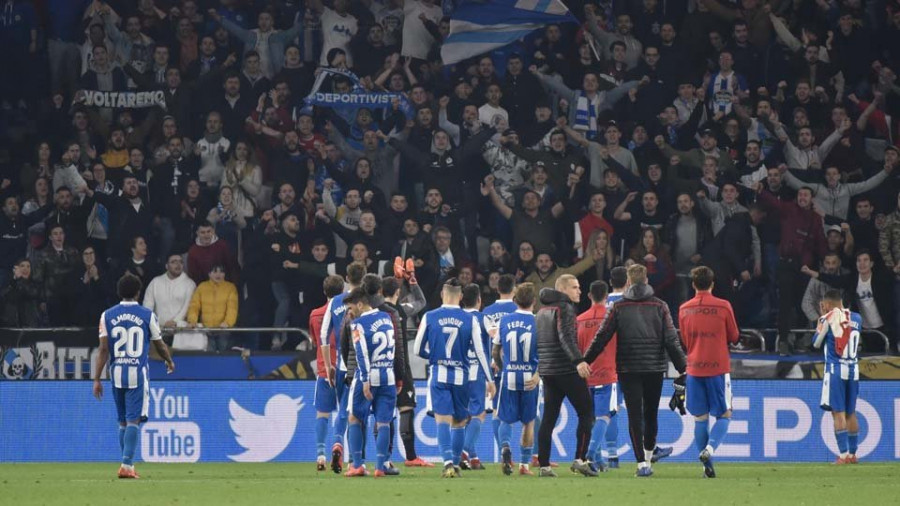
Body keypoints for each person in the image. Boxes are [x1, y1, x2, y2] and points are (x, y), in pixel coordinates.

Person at [584, 264, 687, 477]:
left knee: (634, 416)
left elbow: (602, 337)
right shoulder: (660, 306)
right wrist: (683, 368)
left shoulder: (619, 307)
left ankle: (641, 464)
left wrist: (586, 360)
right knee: (650, 414)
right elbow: (671, 340)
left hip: (628, 368)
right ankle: (648, 457)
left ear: (629, 282)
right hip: (654, 368)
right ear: (647, 280)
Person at [92, 273, 175, 479]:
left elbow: (103, 350)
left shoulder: (106, 315)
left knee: (122, 422)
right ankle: (127, 465)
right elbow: (159, 343)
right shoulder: (147, 315)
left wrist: (96, 378)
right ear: (138, 292)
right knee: (133, 421)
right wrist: (169, 360)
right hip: (137, 374)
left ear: (119, 292)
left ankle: (125, 463)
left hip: (116, 374)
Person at [413, 278, 494, 478]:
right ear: (460, 296)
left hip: (439, 374)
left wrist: (433, 357)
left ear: (442, 294)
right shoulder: (471, 320)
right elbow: (480, 351)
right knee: (459, 422)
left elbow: (417, 349)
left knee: (442, 420)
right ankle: (456, 464)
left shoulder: (429, 316)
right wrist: (490, 379)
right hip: (462, 377)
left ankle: (448, 462)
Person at [677, 266, 740, 479]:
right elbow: (734, 335)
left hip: (694, 368)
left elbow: (685, 340)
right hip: (718, 368)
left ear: (693, 284)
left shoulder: (684, 309)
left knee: (700, 418)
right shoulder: (723, 306)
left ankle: (707, 467)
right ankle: (710, 449)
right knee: (725, 414)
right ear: (712, 284)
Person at [534, 274, 596, 477]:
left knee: (548, 419)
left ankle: (544, 466)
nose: (579, 291)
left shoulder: (542, 311)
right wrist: (578, 361)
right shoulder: (565, 308)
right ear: (563, 290)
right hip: (566, 370)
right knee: (587, 413)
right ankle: (580, 459)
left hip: (548, 372)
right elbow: (566, 337)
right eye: (575, 287)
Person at [342, 285, 399, 478]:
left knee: (355, 417)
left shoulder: (357, 325)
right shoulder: (386, 317)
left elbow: (361, 353)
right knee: (384, 421)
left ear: (360, 304)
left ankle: (357, 465)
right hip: (388, 375)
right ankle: (381, 466)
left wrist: (365, 379)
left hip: (368, 376)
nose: (350, 312)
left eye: (351, 307)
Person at [381, 267, 431, 467]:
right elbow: (421, 302)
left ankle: (382, 457)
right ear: (398, 293)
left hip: (380, 367)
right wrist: (413, 282)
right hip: (401, 365)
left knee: (382, 413)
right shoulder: (401, 309)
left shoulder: (374, 312)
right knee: (406, 408)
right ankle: (410, 457)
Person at [321, 262, 366, 474]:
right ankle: (355, 460)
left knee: (342, 410)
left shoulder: (336, 302)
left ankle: (337, 443)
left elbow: (323, 335)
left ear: (346, 278)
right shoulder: (365, 301)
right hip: (361, 365)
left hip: (340, 365)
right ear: (364, 277)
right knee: (357, 412)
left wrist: (328, 365)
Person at [493, 282, 539, 476]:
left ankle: (505, 448)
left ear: (515, 300)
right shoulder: (539, 321)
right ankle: (524, 465)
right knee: (529, 421)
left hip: (510, 374)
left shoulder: (504, 321)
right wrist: (538, 374)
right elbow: (546, 352)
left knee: (504, 417)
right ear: (533, 302)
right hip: (530, 376)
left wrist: (504, 368)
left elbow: (495, 351)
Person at [813, 289, 862, 464]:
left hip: (835, 371)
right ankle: (853, 454)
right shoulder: (857, 318)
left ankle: (842, 455)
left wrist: (822, 320)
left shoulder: (828, 317)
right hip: (853, 370)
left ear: (827, 304)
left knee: (838, 413)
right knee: (851, 413)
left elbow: (816, 343)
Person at [576, 280, 617, 472]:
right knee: (605, 416)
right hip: (607, 373)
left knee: (591, 418)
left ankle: (598, 460)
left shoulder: (580, 319)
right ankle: (590, 454)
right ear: (607, 296)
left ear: (589, 296)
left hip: (585, 376)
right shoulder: (611, 317)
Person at [310, 275, 346, 471]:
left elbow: (317, 340)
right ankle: (343, 449)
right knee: (345, 413)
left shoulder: (315, 314)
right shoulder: (348, 311)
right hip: (343, 368)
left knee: (322, 413)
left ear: (324, 292)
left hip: (325, 369)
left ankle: (320, 455)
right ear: (343, 290)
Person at [460, 283, 489, 470]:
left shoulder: (458, 317)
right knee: (479, 413)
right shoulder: (483, 318)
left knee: (464, 416)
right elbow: (491, 344)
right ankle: (463, 451)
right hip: (477, 371)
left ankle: (474, 456)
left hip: (459, 372)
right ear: (479, 300)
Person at [186, 265, 239, 352]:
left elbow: (232, 308)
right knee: (209, 357)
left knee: (223, 357)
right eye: (215, 271)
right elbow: (194, 306)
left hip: (223, 330)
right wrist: (192, 321)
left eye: (221, 272)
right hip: (206, 330)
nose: (218, 274)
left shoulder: (230, 287)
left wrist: (228, 323)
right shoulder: (202, 287)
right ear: (209, 274)